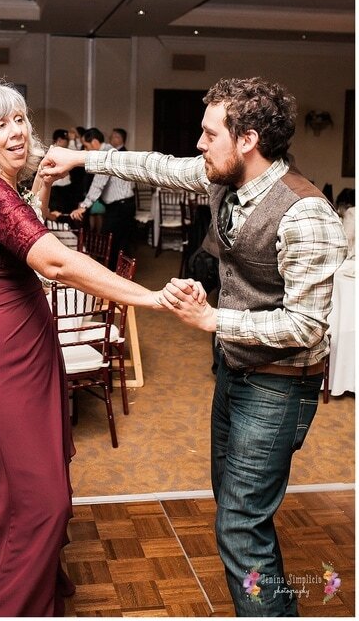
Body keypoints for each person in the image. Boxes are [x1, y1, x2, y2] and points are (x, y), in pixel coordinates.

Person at [40, 76, 348, 617]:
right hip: (235, 374)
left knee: (239, 525)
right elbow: (155, 166)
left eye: (209, 134)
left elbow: (306, 326)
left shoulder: (307, 214)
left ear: (247, 139)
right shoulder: (224, 180)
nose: (199, 145)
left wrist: (211, 318)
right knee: (238, 514)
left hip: (278, 389)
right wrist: (80, 159)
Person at [0, 79, 199, 617]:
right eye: (1, 123)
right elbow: (50, 260)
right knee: (39, 498)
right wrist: (146, 298)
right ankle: (9, 603)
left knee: (0, 481)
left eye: (21, 119)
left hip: (15, 344)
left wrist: (45, 189)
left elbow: (18, 231)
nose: (17, 131)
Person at [70, 127, 136, 269]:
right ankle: (121, 274)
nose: (86, 151)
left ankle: (115, 275)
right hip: (125, 204)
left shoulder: (106, 154)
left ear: (94, 143)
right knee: (119, 243)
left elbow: (98, 184)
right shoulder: (110, 151)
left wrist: (83, 206)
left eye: (86, 147)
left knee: (110, 243)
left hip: (120, 206)